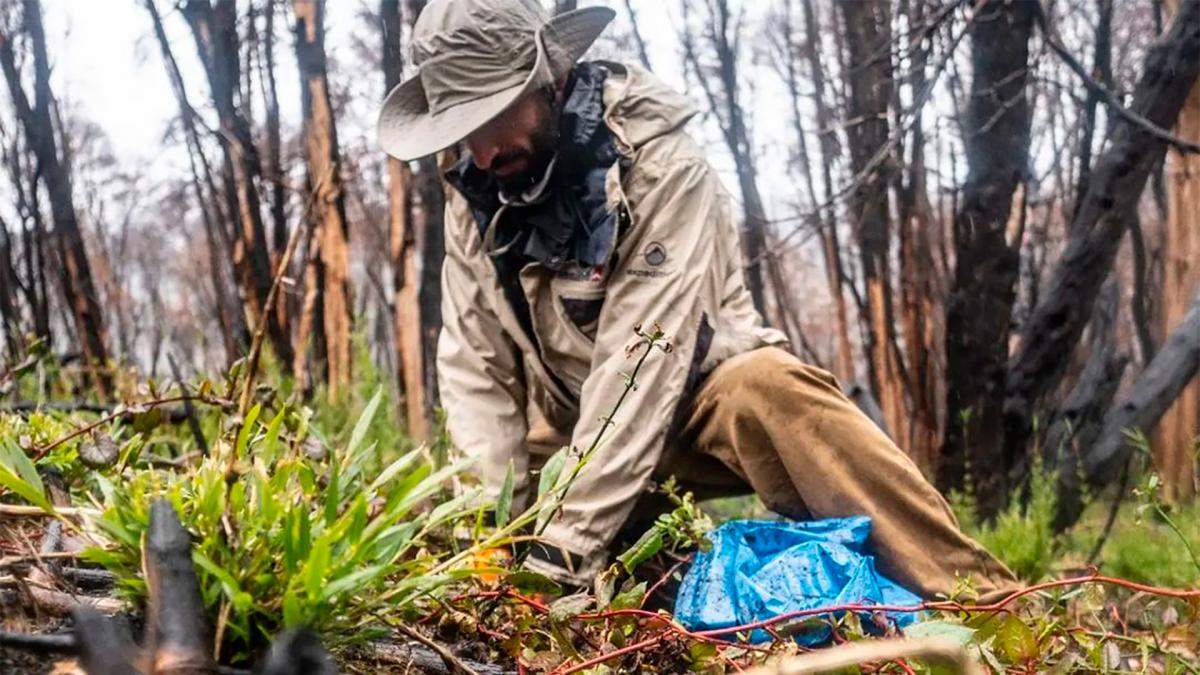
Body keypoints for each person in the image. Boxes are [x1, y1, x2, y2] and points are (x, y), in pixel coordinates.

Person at [377, 0, 1018, 600]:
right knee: (469, 514)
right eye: (463, 127)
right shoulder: (478, 191)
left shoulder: (660, 168)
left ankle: (983, 603)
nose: (482, 150)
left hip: (694, 404)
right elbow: (475, 368)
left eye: (493, 114)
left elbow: (640, 366)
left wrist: (560, 553)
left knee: (772, 389)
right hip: (579, 432)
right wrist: (488, 533)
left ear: (550, 80)